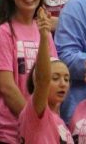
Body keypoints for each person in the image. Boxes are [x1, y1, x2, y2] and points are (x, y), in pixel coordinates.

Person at [0, 0, 54, 143]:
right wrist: (31, 121)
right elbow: (6, 87)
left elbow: (51, 79)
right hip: (10, 132)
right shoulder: (3, 31)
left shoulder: (43, 31)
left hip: (40, 129)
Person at [17, 8, 73, 143]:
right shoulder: (35, 112)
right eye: (55, 78)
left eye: (66, 79)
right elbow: (43, 81)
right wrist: (43, 36)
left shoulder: (60, 121)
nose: (63, 83)